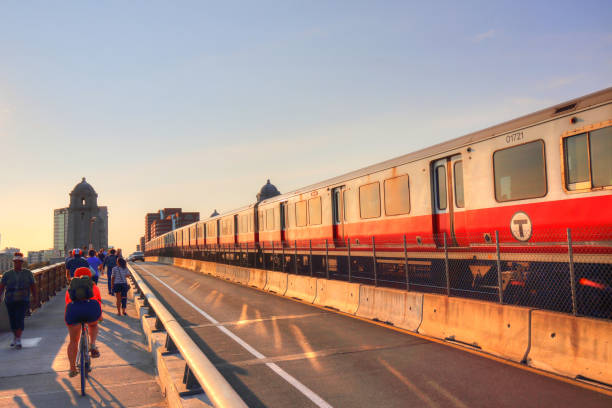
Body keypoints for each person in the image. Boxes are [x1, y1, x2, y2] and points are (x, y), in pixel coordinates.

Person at [65, 267, 102, 377]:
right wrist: (99, 317)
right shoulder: (94, 287)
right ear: (89, 276)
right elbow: (98, 302)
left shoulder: (71, 289)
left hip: (74, 314)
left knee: (73, 341)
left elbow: (67, 304)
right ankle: (92, 344)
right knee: (94, 324)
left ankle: (72, 368)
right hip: (90, 312)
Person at [0, 253, 37, 349]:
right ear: (13, 262)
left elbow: (33, 286)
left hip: (23, 299)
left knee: (19, 318)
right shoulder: (7, 274)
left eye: (19, 262)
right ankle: (16, 337)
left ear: (22, 262)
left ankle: (18, 338)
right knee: (12, 320)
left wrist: (35, 297)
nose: (17, 264)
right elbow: (1, 287)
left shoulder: (28, 273)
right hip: (10, 300)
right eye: (15, 262)